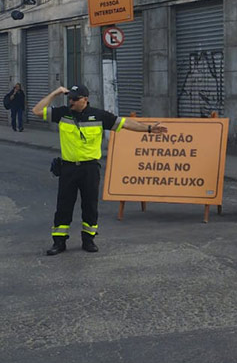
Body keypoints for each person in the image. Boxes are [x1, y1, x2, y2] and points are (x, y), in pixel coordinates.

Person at [34, 83, 166, 255]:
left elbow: (125, 123)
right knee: (64, 206)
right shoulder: (63, 113)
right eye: (69, 98)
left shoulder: (99, 116)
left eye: (75, 99)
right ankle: (59, 242)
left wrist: (148, 129)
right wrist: (55, 93)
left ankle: (88, 240)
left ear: (85, 100)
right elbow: (37, 110)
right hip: (68, 168)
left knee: (90, 205)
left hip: (89, 168)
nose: (71, 102)